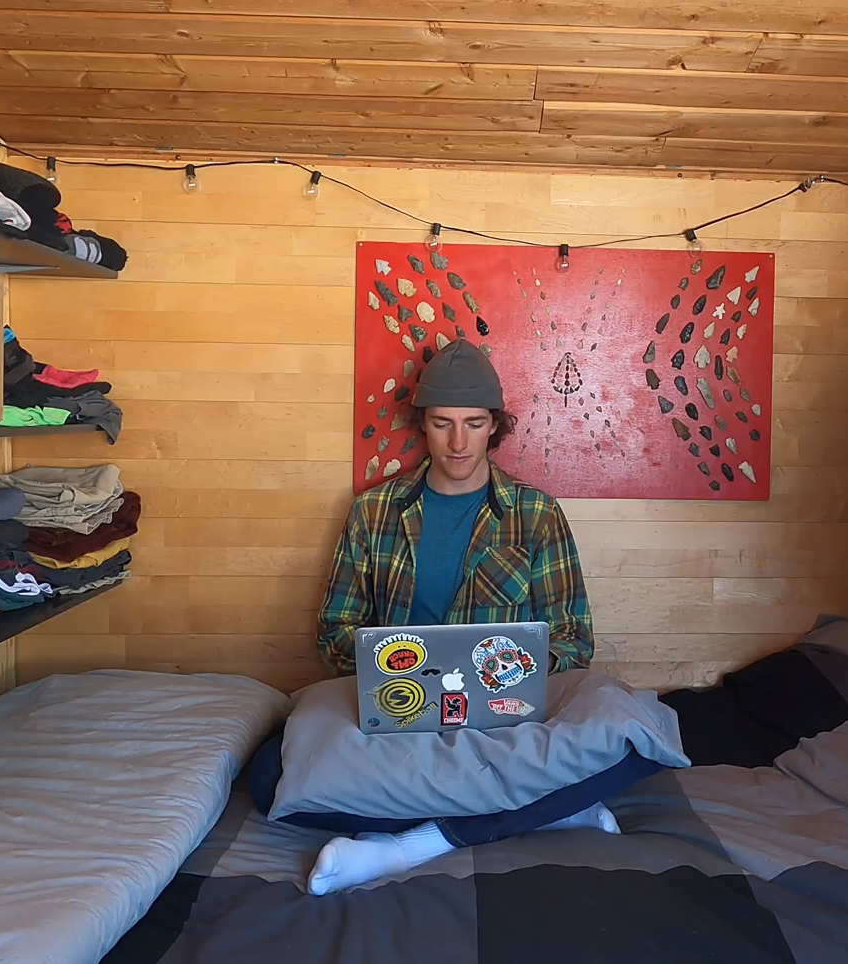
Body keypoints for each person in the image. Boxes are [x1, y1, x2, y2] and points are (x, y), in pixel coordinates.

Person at [246, 339, 663, 895]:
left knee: (632, 728)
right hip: (398, 709)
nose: (459, 441)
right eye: (443, 423)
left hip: (506, 713)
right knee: (270, 775)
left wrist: (504, 670)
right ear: (423, 425)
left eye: (474, 423)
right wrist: (389, 667)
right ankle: (550, 809)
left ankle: (409, 844)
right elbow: (334, 629)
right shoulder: (374, 512)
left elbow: (572, 640)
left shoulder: (536, 514)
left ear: (496, 426)